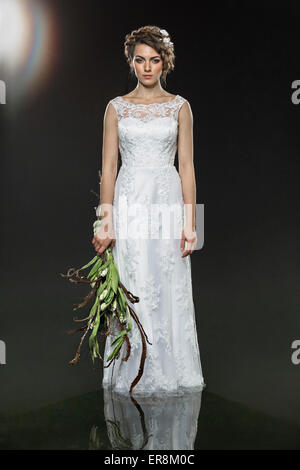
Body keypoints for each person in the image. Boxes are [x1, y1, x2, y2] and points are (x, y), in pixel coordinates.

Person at [92, 25, 206, 399]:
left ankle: (171, 372)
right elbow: (108, 168)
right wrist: (104, 222)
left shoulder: (180, 107)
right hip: (129, 202)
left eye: (154, 60)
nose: (147, 68)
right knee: (133, 278)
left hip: (167, 201)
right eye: (140, 60)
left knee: (167, 282)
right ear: (131, 61)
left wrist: (193, 226)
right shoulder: (115, 108)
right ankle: (129, 373)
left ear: (165, 63)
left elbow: (187, 167)